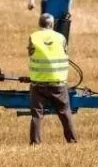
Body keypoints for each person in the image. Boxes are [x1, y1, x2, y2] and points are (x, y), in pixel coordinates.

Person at [27, 13, 77, 145]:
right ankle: (72, 140)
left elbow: (30, 53)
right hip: (58, 83)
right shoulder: (61, 37)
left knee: (37, 114)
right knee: (65, 112)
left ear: (39, 24)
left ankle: (35, 143)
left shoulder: (33, 37)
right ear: (52, 25)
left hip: (38, 84)